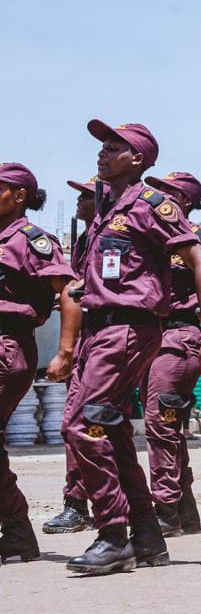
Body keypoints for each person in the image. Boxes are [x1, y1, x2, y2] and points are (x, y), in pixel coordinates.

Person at [65, 120, 201, 575]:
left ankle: (114, 534)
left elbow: (200, 263)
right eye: (101, 146)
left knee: (81, 424)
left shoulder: (153, 204)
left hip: (130, 329)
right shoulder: (104, 209)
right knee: (109, 429)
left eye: (114, 147)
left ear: (136, 159)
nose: (102, 152)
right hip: (103, 328)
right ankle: (149, 538)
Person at [0, 164, 78, 563]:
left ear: (20, 196)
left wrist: (64, 351)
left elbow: (69, 289)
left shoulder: (31, 240)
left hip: (7, 344)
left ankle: (16, 530)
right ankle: (15, 533)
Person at [138, 171, 201, 536]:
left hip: (181, 334)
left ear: (184, 200)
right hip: (151, 333)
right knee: (167, 425)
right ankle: (184, 512)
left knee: (160, 421)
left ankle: (166, 509)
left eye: (168, 192)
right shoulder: (152, 233)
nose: (159, 196)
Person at [42, 177, 99, 535]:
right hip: (88, 337)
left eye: (86, 196)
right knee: (79, 422)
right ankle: (78, 502)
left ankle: (84, 503)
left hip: (111, 338)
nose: (79, 201)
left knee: (81, 422)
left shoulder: (123, 234)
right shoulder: (85, 240)